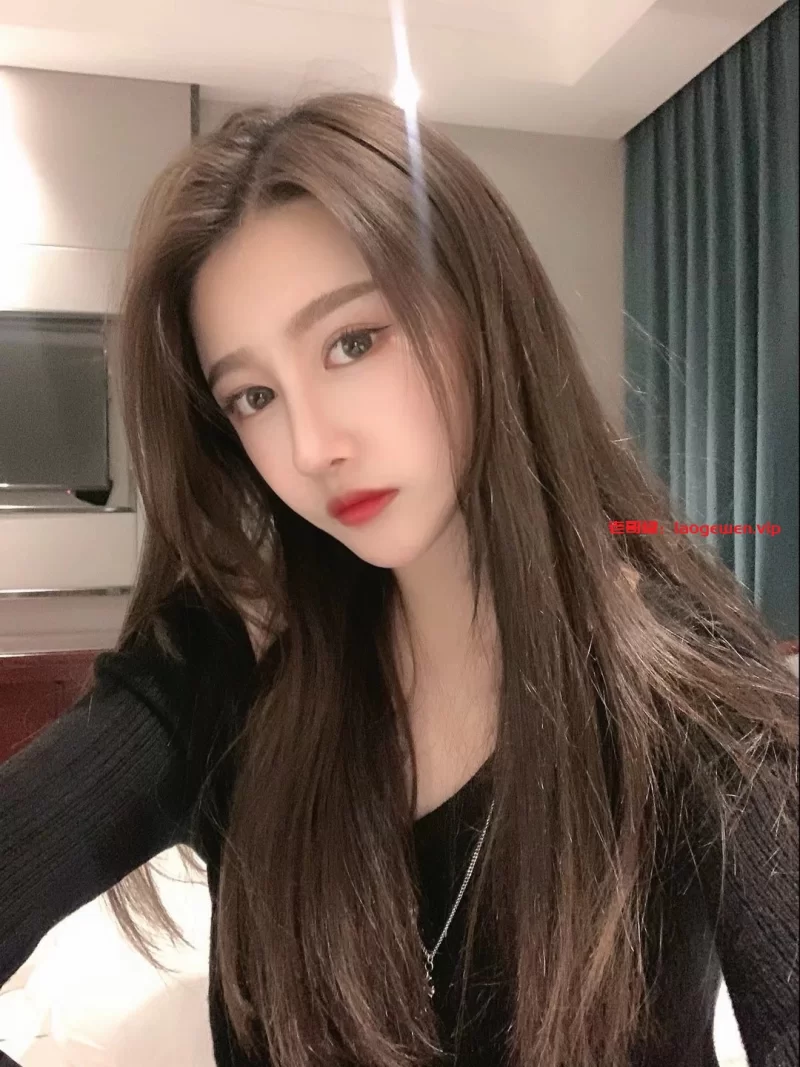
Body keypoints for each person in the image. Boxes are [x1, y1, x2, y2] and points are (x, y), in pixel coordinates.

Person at [1, 92, 797, 1067]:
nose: (310, 445)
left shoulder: (676, 662)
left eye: (352, 342)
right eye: (253, 395)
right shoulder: (227, 665)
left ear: (480, 310)